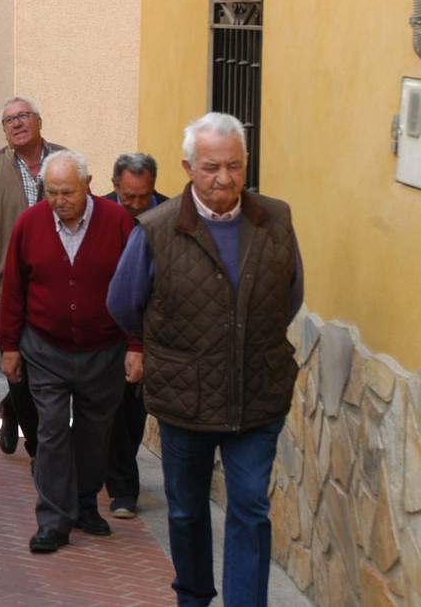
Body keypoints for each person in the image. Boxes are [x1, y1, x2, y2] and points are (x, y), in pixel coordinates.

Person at [109, 113, 304, 607]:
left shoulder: (275, 218)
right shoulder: (156, 229)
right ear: (188, 167)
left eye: (235, 166)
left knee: (250, 508)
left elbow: (292, 294)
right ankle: (193, 596)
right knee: (187, 509)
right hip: (185, 399)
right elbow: (124, 303)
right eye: (212, 167)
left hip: (256, 393)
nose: (225, 179)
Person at [0, 151, 139, 554]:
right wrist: (9, 347)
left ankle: (84, 503)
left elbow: (135, 291)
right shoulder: (30, 224)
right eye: (52, 192)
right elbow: (13, 290)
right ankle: (54, 520)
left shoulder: (118, 223)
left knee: (96, 434)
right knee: (53, 432)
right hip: (46, 349)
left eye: (67, 192)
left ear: (89, 184)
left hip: (104, 350)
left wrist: (136, 346)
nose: (59, 200)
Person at [0, 97, 66, 458]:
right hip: (5, 294)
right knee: (18, 373)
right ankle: (39, 448)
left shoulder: (65, 163)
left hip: (58, 291)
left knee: (51, 374)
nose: (17, 124)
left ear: (39, 121)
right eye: (9, 120)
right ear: (4, 130)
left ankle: (16, 414)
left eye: (24, 116)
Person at [102, 151, 168, 519]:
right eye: (129, 197)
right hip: (108, 330)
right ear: (115, 187)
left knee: (134, 409)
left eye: (144, 196)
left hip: (154, 330)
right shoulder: (99, 214)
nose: (137, 204)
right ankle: (123, 489)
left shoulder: (171, 216)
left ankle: (120, 473)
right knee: (110, 409)